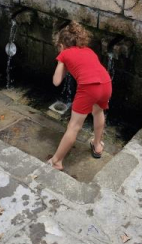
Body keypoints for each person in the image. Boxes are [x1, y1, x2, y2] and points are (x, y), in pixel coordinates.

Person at [47, 22, 112, 171]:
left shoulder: (64, 53)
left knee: (74, 126)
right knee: (98, 111)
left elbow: (56, 81)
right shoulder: (88, 50)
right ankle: (97, 145)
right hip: (106, 83)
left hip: (89, 87)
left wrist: (60, 60)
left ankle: (56, 161)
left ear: (62, 44)